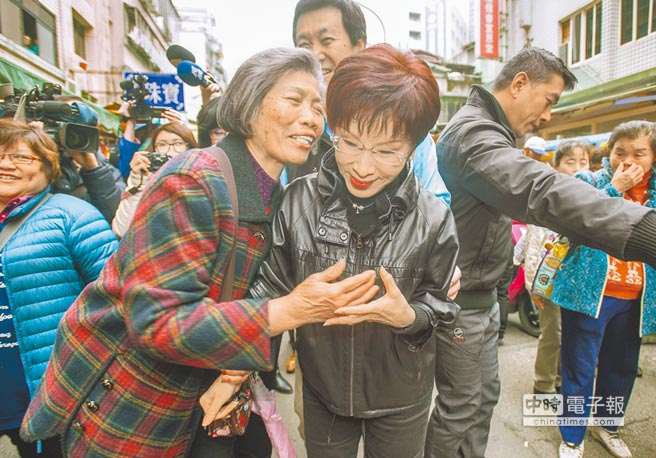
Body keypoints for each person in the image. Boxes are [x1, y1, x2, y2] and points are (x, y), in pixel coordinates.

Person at [18, 47, 378, 457]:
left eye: (318, 107)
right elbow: (157, 322)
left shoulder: (276, 194)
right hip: (133, 401)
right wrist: (289, 311)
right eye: (294, 100)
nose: (311, 118)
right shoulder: (194, 178)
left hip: (206, 399)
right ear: (249, 104)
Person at [424, 46, 656, 458]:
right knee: (461, 409)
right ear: (518, 84)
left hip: (480, 299)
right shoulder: (475, 136)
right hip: (463, 304)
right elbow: (541, 190)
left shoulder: (489, 131)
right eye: (548, 100)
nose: (548, 116)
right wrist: (644, 232)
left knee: (479, 402)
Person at [249, 44, 459, 458]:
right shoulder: (295, 202)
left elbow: (446, 310)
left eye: (385, 151)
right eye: (350, 143)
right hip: (323, 392)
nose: (363, 167)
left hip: (403, 398)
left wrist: (409, 316)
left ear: (414, 150)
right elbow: (264, 291)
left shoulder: (435, 218)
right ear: (333, 131)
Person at [0, 119, 117, 458]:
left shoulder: (73, 215)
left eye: (22, 157)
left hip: (47, 385)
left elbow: (115, 295)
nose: (7, 165)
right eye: (1, 155)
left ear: (49, 166)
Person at [551, 120, 656, 458]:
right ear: (609, 154)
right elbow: (579, 221)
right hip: (588, 294)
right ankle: (571, 436)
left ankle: (607, 426)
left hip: (636, 298)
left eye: (639, 153)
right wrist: (615, 187)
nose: (628, 160)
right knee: (579, 367)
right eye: (619, 152)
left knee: (622, 366)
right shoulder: (589, 181)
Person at [519, 140, 591, 396]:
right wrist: (534, 287)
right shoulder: (549, 196)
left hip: (577, 283)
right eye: (570, 161)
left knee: (572, 337)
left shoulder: (592, 195)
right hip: (549, 282)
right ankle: (544, 385)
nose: (577, 167)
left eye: (583, 161)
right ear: (557, 165)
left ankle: (561, 381)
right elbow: (534, 246)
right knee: (554, 335)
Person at [111, 122, 198, 237]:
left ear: (189, 147)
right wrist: (138, 178)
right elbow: (122, 230)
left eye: (178, 143)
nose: (170, 150)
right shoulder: (148, 179)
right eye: (162, 145)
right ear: (154, 150)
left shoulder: (199, 178)